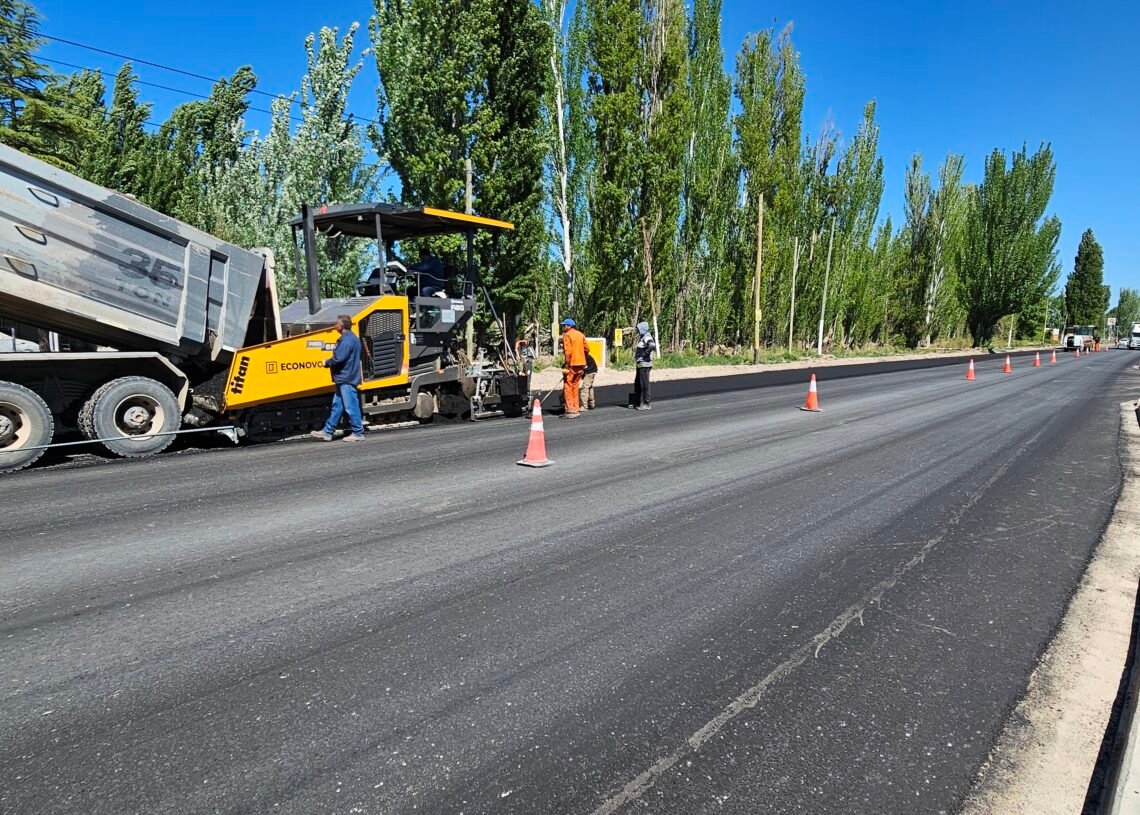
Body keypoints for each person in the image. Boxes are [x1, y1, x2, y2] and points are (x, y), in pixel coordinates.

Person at [310, 315, 366, 442]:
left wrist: (327, 362)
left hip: (346, 377)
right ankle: (328, 431)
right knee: (337, 406)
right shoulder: (353, 338)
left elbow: (339, 358)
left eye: (336, 323)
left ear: (341, 326)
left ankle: (358, 432)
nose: (335, 325)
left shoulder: (346, 340)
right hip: (345, 377)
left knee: (351, 407)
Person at [560, 318, 587, 418]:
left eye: (564, 325)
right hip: (581, 364)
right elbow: (587, 348)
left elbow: (568, 352)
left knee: (568, 386)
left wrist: (567, 365)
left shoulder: (567, 335)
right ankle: (576, 408)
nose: (563, 327)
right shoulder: (581, 334)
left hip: (572, 364)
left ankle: (570, 410)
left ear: (569, 326)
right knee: (575, 386)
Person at [632, 320, 656, 411]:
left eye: (639, 329)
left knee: (644, 384)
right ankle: (637, 402)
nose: (638, 331)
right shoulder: (642, 337)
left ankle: (646, 403)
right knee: (638, 383)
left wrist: (646, 353)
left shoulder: (647, 336)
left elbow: (652, 344)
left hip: (644, 364)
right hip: (640, 364)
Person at [579, 347, 598, 412]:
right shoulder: (586, 355)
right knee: (590, 387)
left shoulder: (583, 356)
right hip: (592, 370)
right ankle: (591, 403)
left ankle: (584, 406)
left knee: (585, 388)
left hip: (590, 372)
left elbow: (582, 367)